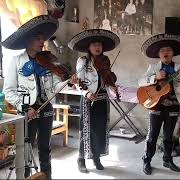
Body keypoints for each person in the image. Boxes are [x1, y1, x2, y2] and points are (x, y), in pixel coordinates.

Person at [2, 15, 78, 179]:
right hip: (27, 111)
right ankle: (26, 176)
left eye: (43, 38)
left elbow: (55, 86)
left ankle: (47, 176)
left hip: (46, 108)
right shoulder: (16, 61)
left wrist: (67, 82)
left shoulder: (47, 60)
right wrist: (25, 107)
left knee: (45, 147)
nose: (42, 42)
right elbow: (9, 91)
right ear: (28, 41)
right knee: (26, 148)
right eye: (38, 38)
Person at [68, 29, 120, 173]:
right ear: (89, 47)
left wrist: (112, 86)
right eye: (94, 44)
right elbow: (78, 81)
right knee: (86, 130)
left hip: (102, 99)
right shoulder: (83, 61)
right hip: (88, 99)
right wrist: (86, 92)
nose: (97, 47)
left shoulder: (105, 60)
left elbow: (107, 78)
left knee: (100, 130)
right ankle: (81, 159)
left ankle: (96, 157)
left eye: (99, 45)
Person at [138, 34, 180, 175]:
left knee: (169, 135)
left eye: (168, 50)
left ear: (173, 53)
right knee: (152, 135)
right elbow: (141, 82)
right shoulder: (153, 67)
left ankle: (167, 159)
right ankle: (147, 160)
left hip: (173, 104)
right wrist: (155, 77)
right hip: (156, 104)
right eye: (162, 50)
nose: (165, 52)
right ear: (159, 54)